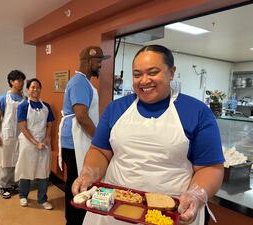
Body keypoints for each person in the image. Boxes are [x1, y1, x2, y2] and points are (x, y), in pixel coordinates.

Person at [72, 45, 224, 225]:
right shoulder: (116, 108)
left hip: (171, 211)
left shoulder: (197, 112)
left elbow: (210, 168)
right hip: (112, 207)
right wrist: (89, 173)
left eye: (152, 72)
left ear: (171, 72)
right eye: (137, 74)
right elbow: (100, 151)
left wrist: (196, 195)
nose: (144, 80)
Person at [58, 46, 110, 225]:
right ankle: (73, 221)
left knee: (76, 181)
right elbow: (81, 116)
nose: (101, 65)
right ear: (89, 61)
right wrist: (99, 139)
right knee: (77, 184)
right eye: (99, 61)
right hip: (75, 141)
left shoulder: (84, 82)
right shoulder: (79, 82)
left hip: (76, 140)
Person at [15, 78, 55, 210]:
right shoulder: (23, 106)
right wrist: (35, 142)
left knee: (43, 170)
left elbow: (49, 125)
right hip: (28, 142)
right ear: (28, 89)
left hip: (44, 142)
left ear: (40, 89)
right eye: (32, 87)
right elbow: (23, 127)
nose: (35, 89)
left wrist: (47, 138)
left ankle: (42, 199)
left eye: (37, 87)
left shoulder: (46, 106)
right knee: (26, 169)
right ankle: (23, 196)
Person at [0, 70, 25, 199]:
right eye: (18, 80)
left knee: (17, 159)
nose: (21, 83)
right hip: (6, 134)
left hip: (20, 134)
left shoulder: (25, 99)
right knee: (5, 160)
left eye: (23, 80)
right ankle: (3, 185)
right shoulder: (3, 98)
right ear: (11, 82)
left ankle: (13, 183)